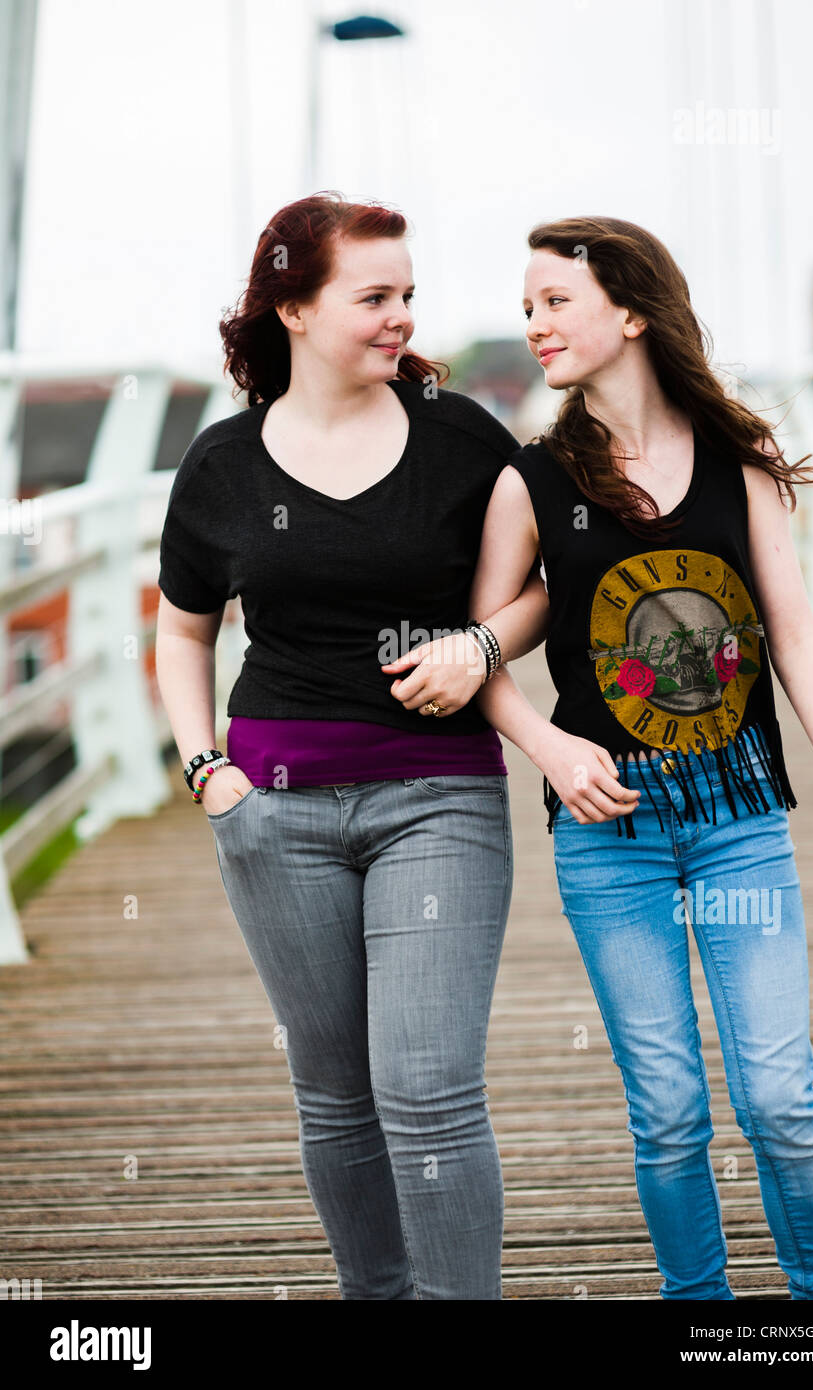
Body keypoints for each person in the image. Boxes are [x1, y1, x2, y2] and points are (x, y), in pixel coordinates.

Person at [384, 216, 813, 1300]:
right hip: (611, 837)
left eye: (556, 302)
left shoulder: (736, 461)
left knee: (779, 1095)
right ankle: (697, 1312)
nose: (535, 325)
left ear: (632, 310)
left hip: (739, 818)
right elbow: (484, 651)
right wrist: (549, 747)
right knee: (667, 1110)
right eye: (526, 309)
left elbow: (792, 634)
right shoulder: (532, 482)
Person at [154, 192, 549, 1300]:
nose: (400, 319)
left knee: (425, 1085)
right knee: (332, 1094)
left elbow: (539, 590)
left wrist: (477, 644)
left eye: (408, 295)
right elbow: (181, 631)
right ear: (292, 305)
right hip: (271, 813)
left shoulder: (460, 435)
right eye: (373, 297)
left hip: (437, 794)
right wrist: (206, 772)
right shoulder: (224, 466)